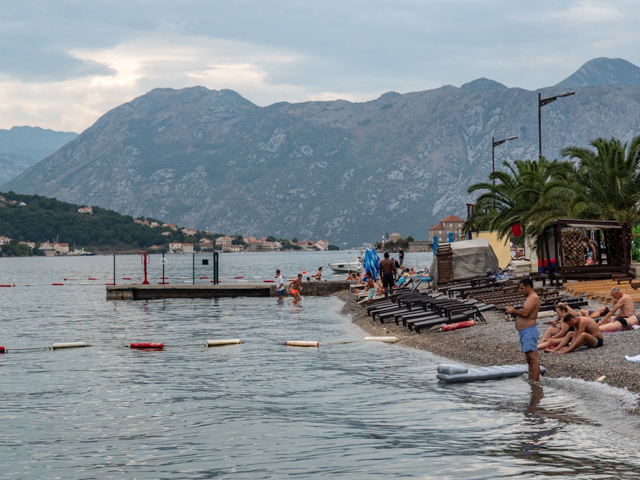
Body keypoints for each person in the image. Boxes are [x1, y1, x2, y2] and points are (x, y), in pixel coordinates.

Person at [505, 278, 541, 381]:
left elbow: (526, 314)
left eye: (522, 288)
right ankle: (531, 380)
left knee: (533, 358)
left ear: (528, 287)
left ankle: (535, 383)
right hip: (524, 331)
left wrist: (513, 311)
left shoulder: (533, 298)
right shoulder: (530, 297)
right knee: (529, 359)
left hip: (529, 330)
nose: (520, 291)